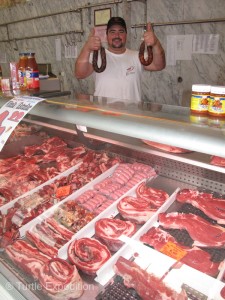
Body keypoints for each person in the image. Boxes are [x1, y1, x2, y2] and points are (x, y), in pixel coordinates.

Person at [75, 17, 165, 104]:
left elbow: (159, 65)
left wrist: (156, 43)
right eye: (112, 32)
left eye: (121, 31)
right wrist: (86, 48)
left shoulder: (137, 56)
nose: (117, 36)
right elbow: (79, 74)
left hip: (131, 114)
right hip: (103, 115)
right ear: (107, 35)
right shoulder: (96, 56)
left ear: (126, 34)